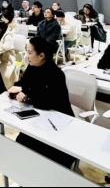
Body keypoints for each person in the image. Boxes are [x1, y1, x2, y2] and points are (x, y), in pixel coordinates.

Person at [7, 37, 76, 168]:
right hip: (39, 117)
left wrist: (27, 96)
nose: (26, 56)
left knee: (44, 154)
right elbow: (22, 84)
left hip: (58, 120)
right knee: (21, 144)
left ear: (41, 55)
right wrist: (19, 90)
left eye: (29, 53)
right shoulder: (32, 67)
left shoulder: (56, 74)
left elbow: (48, 101)